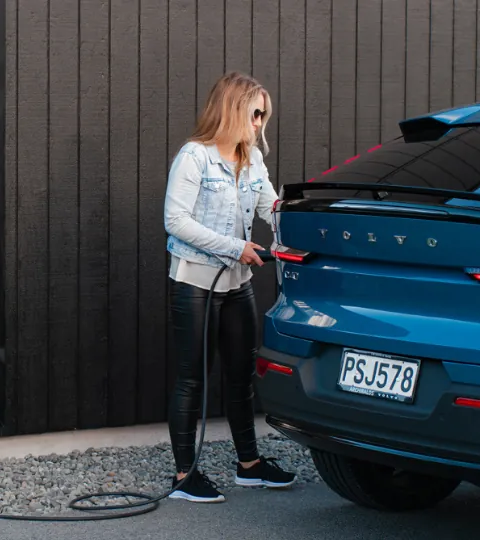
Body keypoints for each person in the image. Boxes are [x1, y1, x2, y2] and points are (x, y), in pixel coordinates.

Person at [163, 71, 297, 503]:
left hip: (237, 283)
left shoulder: (253, 158)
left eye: (264, 116)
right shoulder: (194, 157)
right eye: (255, 113)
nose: (260, 123)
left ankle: (250, 466)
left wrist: (295, 236)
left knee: (241, 376)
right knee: (192, 379)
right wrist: (234, 247)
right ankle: (184, 476)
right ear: (233, 109)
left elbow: (270, 208)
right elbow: (176, 221)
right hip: (194, 282)